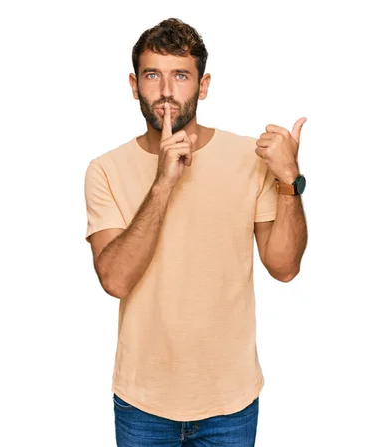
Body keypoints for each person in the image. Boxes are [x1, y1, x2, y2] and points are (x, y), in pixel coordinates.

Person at [83, 17, 308, 447]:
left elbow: (284, 267)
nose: (166, 91)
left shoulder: (248, 157)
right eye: (153, 75)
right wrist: (163, 183)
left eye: (181, 76)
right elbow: (114, 279)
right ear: (134, 84)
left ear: (202, 85)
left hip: (231, 400)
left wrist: (288, 180)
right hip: (143, 401)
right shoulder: (105, 170)